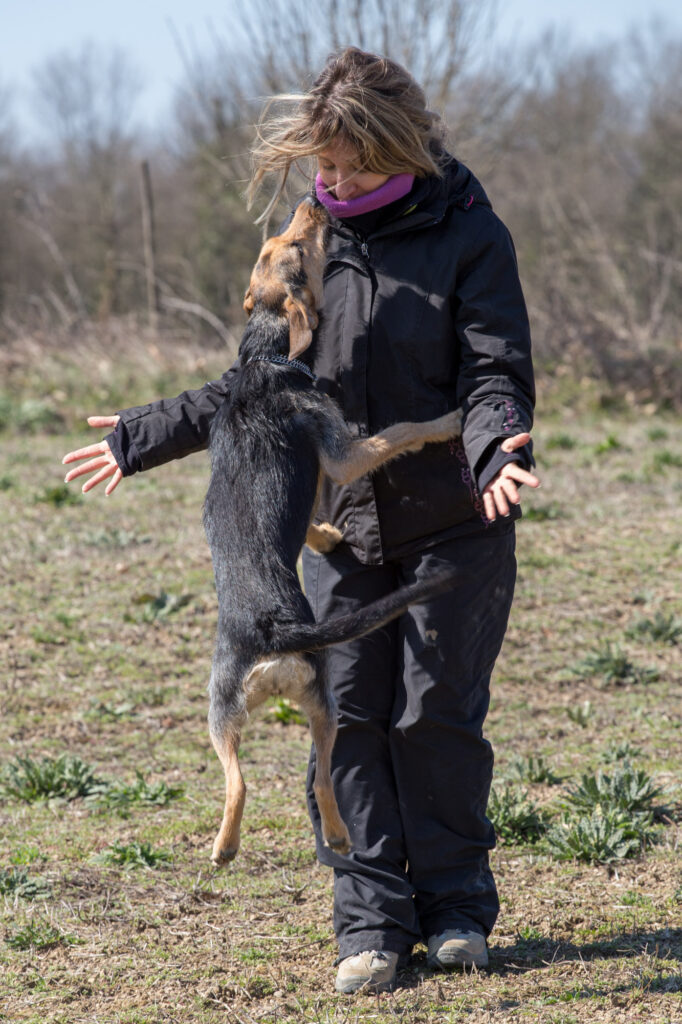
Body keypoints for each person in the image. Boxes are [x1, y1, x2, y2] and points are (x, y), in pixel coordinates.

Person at [62, 47, 539, 994]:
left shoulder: (469, 236)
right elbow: (250, 390)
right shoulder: (307, 246)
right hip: (341, 537)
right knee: (350, 721)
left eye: (354, 165)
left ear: (403, 151)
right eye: (323, 163)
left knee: (434, 714)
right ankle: (368, 925)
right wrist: (139, 434)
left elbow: (495, 371)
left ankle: (453, 911)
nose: (333, 181)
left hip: (455, 523)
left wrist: (497, 449)